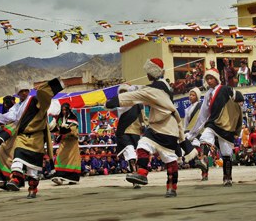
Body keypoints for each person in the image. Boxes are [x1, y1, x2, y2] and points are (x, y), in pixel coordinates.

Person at [105, 58, 184, 198]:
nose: (146, 74)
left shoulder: (154, 90)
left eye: (147, 72)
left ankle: (146, 175)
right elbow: (141, 90)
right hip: (165, 128)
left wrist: (112, 102)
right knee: (154, 150)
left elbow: (133, 96)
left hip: (164, 128)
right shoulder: (164, 87)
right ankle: (167, 186)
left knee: (156, 152)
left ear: (151, 73)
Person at [0, 78, 64, 198]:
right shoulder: (16, 107)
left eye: (26, 90)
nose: (24, 93)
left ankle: (33, 189)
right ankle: (15, 180)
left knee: (32, 168)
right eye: (21, 91)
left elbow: (50, 104)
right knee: (17, 158)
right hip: (22, 136)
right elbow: (6, 118)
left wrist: (52, 88)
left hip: (36, 137)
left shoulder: (35, 100)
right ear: (18, 93)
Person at [186, 69, 244, 187]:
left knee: (226, 152)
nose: (209, 80)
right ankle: (202, 160)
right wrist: (192, 133)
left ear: (217, 79)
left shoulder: (225, 89)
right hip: (213, 122)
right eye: (207, 79)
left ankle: (227, 178)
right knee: (205, 137)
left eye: (211, 78)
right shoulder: (207, 94)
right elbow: (203, 115)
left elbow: (239, 96)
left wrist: (236, 109)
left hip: (226, 125)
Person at [114, 84, 147, 188]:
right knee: (130, 151)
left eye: (125, 92)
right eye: (121, 92)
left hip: (136, 132)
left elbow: (143, 117)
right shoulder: (119, 104)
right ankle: (134, 178)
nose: (123, 94)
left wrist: (144, 126)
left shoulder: (138, 104)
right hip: (123, 132)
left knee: (135, 155)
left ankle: (136, 178)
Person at [0, 95, 21, 189]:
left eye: (7, 102)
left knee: (12, 159)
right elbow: (3, 119)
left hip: (16, 138)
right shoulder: (9, 112)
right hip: (7, 138)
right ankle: (1, 180)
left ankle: (15, 181)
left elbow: (9, 119)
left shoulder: (18, 109)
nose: (6, 105)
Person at [50, 103, 81, 185]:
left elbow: (73, 130)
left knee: (72, 160)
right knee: (59, 157)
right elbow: (57, 128)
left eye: (65, 110)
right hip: (63, 142)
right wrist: (54, 128)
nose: (64, 112)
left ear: (68, 110)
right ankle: (59, 176)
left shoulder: (73, 118)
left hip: (72, 142)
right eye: (62, 110)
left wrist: (66, 129)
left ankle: (73, 177)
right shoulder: (60, 118)